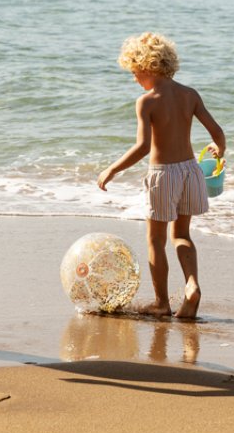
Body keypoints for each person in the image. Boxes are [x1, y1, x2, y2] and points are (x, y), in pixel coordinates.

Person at [97, 32, 226, 319]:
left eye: (134, 72)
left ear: (147, 67)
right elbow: (217, 133)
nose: (133, 79)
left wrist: (112, 169)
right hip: (191, 171)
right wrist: (219, 150)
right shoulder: (190, 94)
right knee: (182, 235)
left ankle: (161, 303)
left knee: (156, 241)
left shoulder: (147, 101)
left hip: (163, 175)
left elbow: (143, 146)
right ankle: (192, 285)